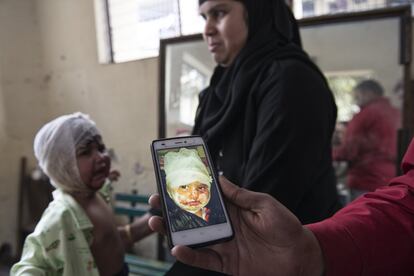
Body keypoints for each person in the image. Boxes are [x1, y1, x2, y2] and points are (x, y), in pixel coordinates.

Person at [149, 137, 414, 276]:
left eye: (200, 187)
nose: (209, 30)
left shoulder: (290, 79)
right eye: (182, 188)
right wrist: (312, 252)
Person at [193, 0, 341, 226]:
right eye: (204, 18)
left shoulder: (290, 82)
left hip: (279, 252)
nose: (207, 29)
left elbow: (261, 203)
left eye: (219, 13)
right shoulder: (217, 92)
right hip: (224, 245)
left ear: (257, 12)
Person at [11, 112, 152, 276]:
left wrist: (107, 179)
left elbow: (108, 238)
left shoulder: (96, 195)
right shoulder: (61, 216)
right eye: (85, 152)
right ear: (63, 166)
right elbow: (30, 266)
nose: (101, 157)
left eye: (100, 148)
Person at [333, 79, 401, 200]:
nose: (356, 100)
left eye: (357, 95)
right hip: (391, 178)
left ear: (368, 93)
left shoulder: (366, 114)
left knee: (360, 217)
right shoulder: (396, 113)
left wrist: (328, 154)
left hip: (366, 179)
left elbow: (350, 149)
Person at [163, 148, 226, 231]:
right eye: (184, 187)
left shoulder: (217, 213)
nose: (194, 195)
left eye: (201, 187)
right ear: (170, 192)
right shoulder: (175, 223)